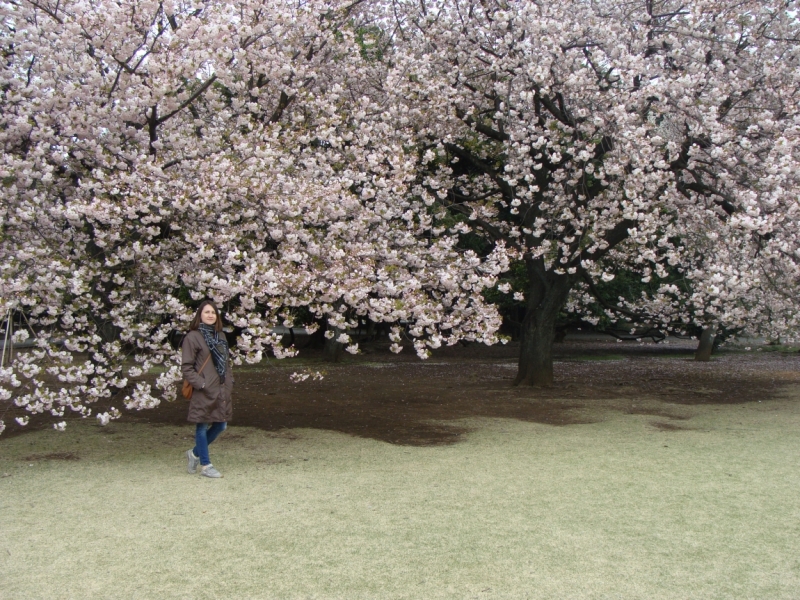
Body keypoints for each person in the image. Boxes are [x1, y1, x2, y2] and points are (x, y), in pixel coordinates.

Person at [181, 300, 233, 478]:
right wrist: (201, 384)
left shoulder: (221, 336)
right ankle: (205, 465)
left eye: (213, 312)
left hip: (220, 388)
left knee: (222, 424)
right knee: (202, 425)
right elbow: (187, 366)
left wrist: (229, 381)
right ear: (200, 315)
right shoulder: (193, 337)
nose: (210, 315)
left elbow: (225, 362)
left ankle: (194, 453)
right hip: (203, 389)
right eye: (206, 312)